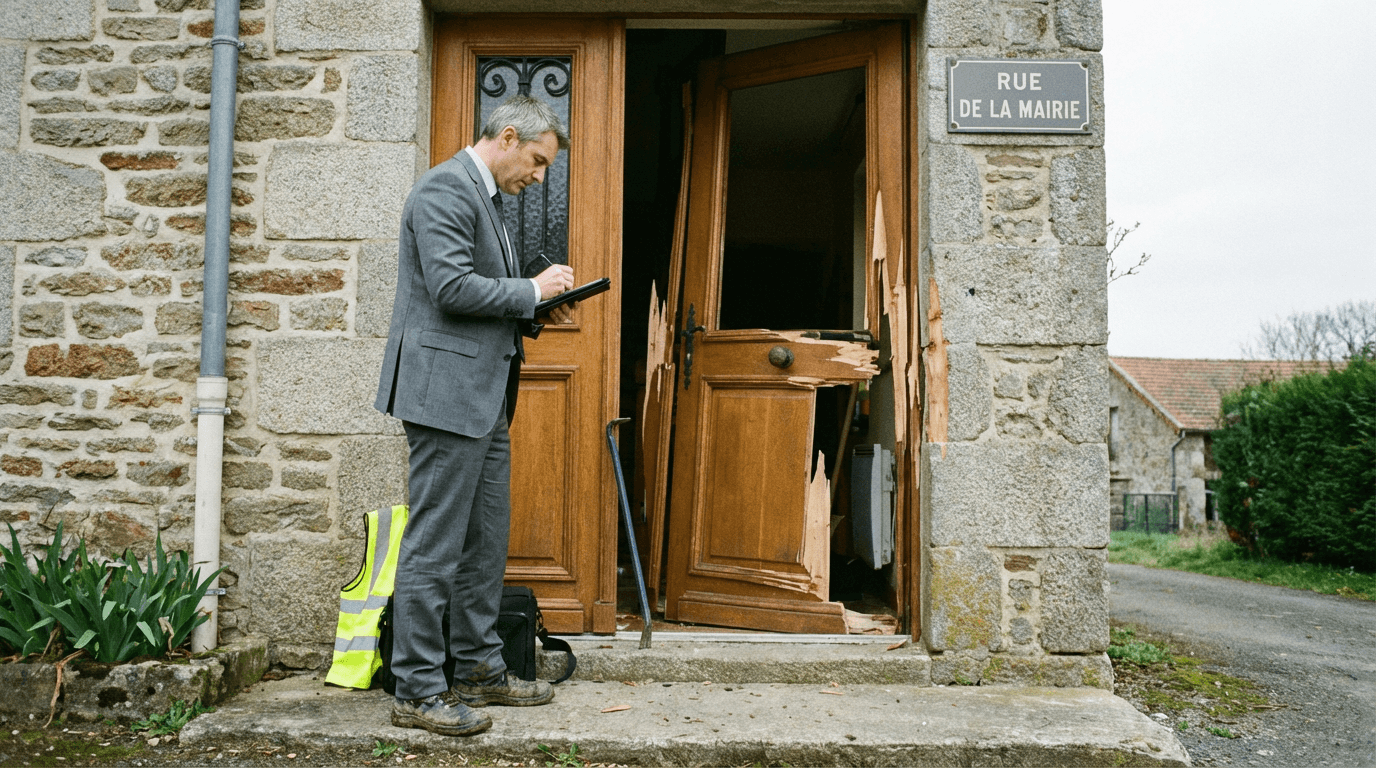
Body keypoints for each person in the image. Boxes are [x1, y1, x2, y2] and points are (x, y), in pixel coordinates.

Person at [373, 95, 575, 737]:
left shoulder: (485, 200)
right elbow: (451, 289)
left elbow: (481, 298)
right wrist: (530, 290)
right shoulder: (444, 190)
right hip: (444, 395)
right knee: (436, 542)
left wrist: (534, 310)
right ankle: (417, 688)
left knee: (484, 538)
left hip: (483, 396)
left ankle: (480, 670)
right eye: (538, 162)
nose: (538, 177)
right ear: (509, 136)